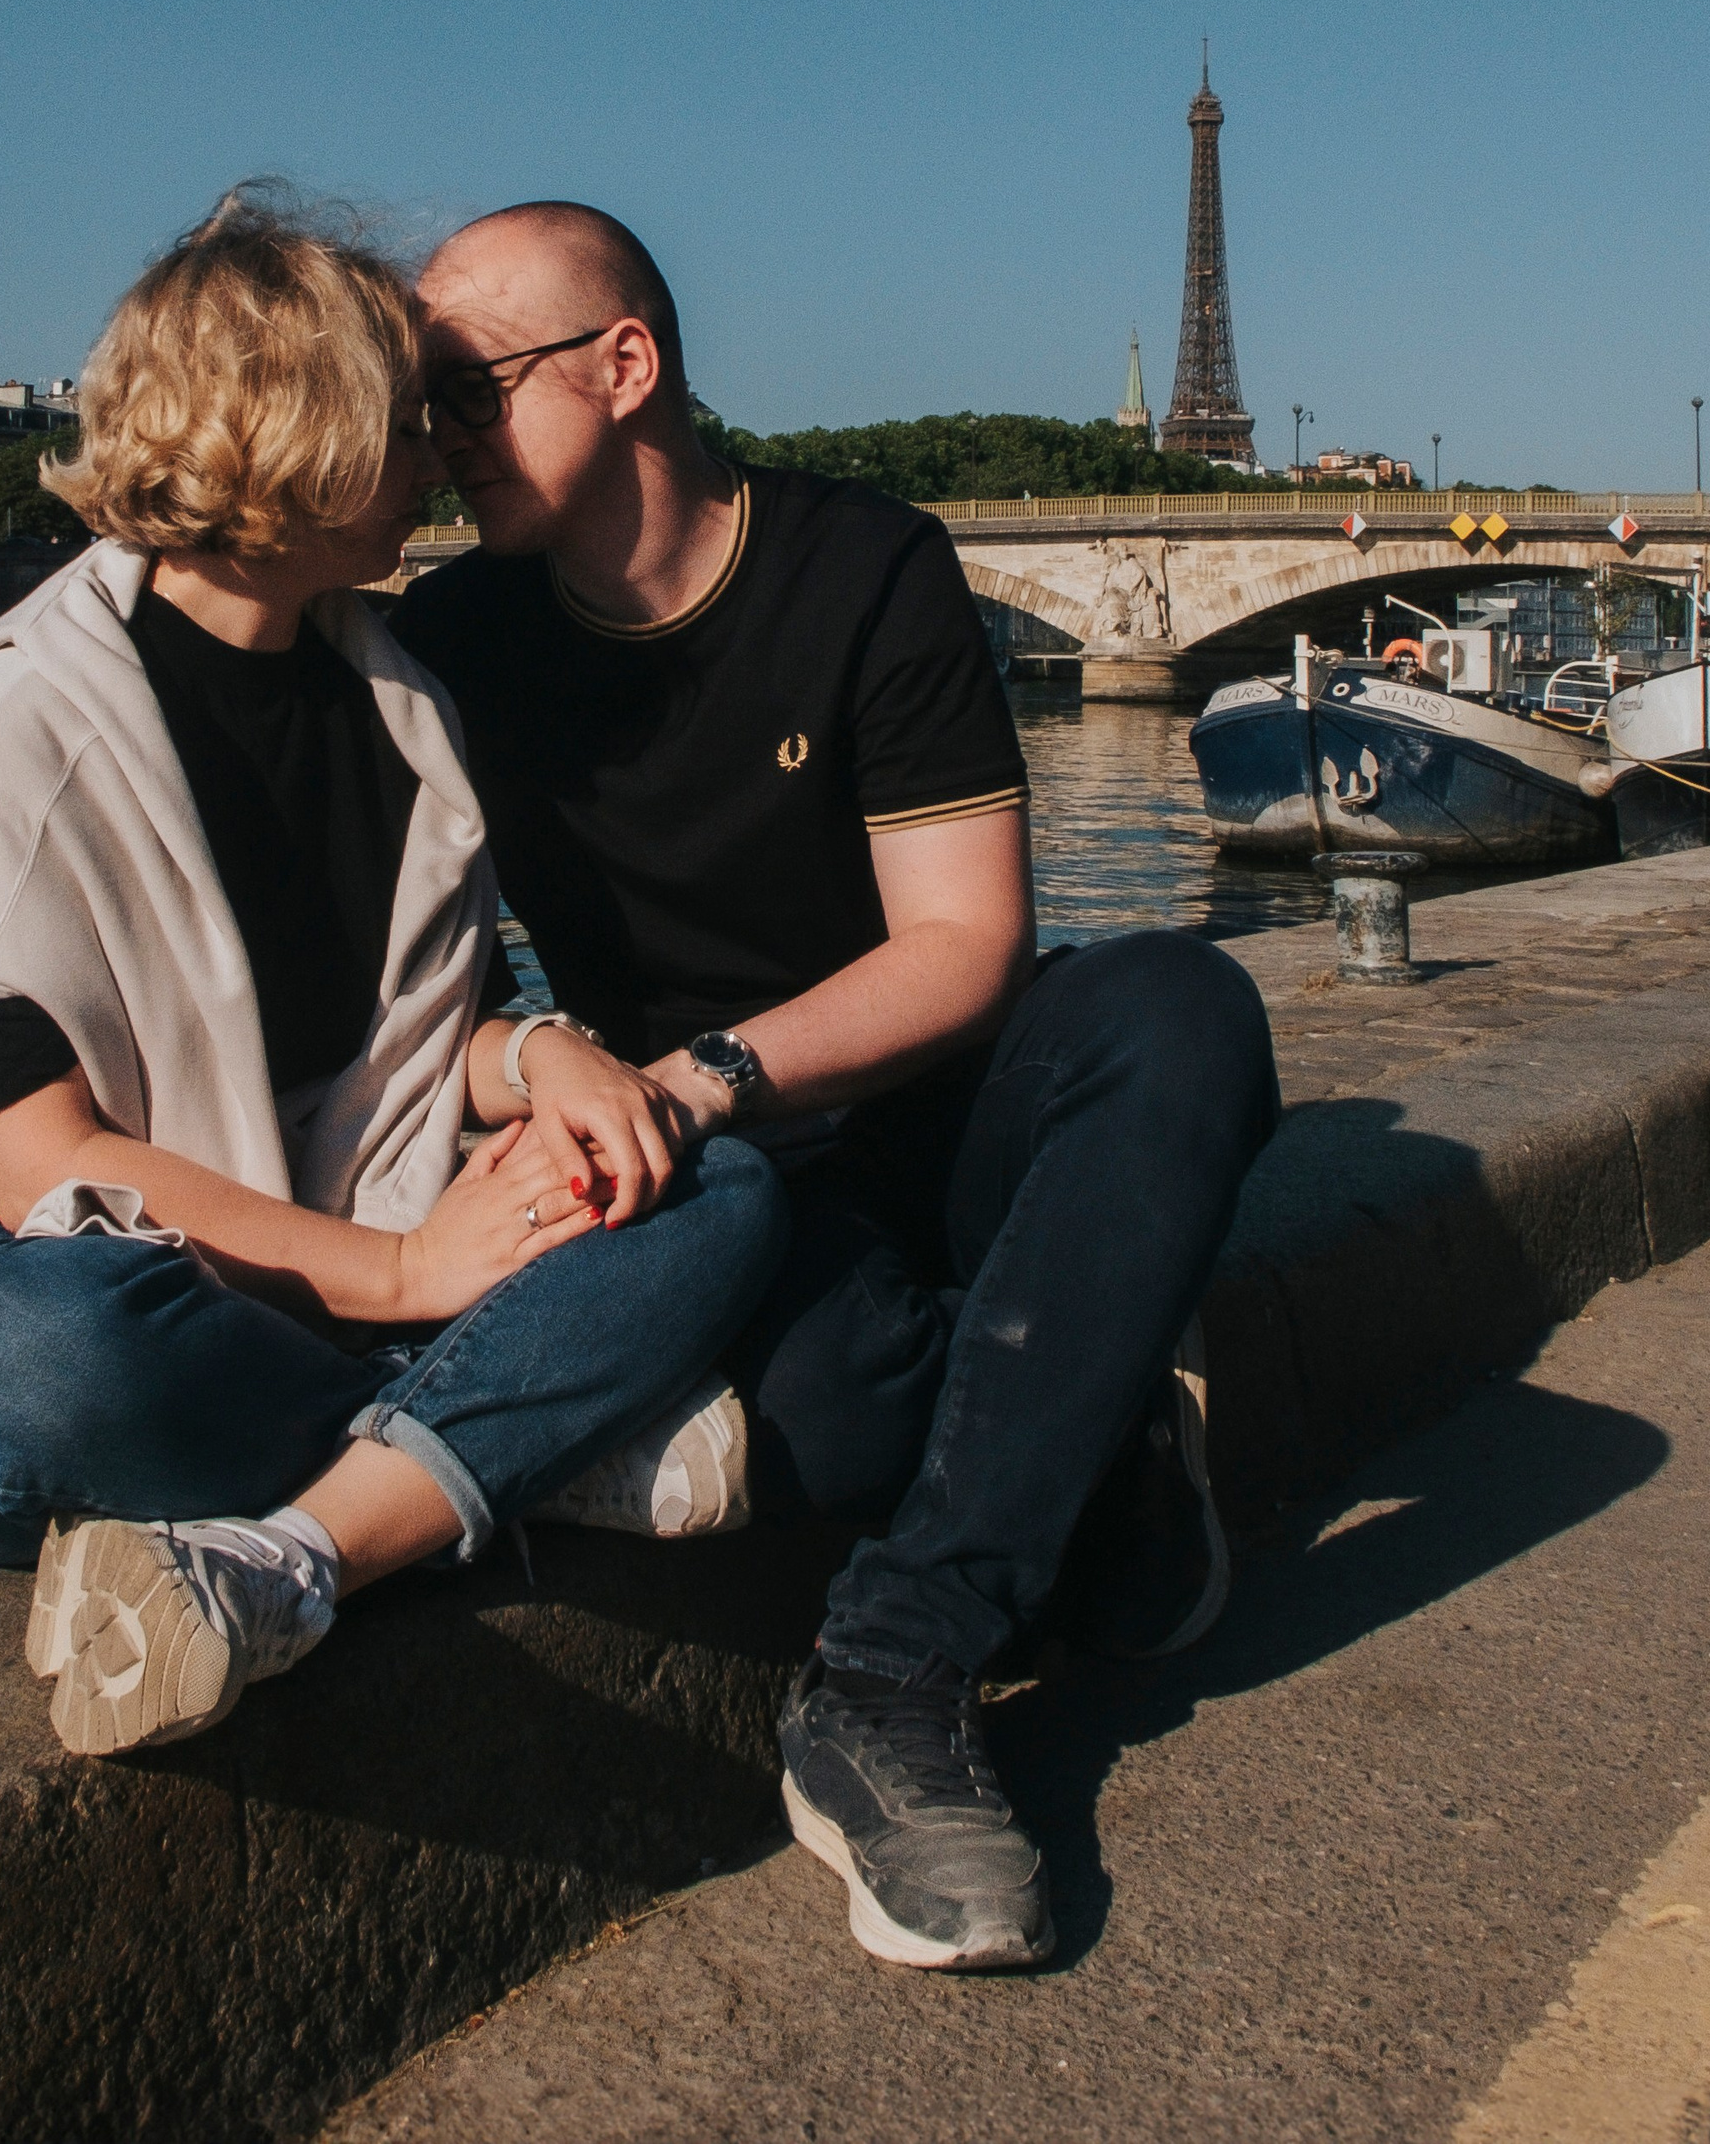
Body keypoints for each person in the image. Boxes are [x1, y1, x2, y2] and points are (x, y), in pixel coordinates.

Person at [0, 190, 787, 1759]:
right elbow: (51, 1170)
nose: (442, 448)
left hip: (297, 1309)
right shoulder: (29, 717)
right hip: (4, 1298)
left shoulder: (401, 710)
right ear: (295, 433)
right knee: (60, 1341)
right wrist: (400, 1279)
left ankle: (316, 1527)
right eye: (408, 412)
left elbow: (419, 1041)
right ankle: (507, 1433)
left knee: (713, 1184)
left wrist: (551, 1062)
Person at [396, 203, 1280, 1973]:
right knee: (826, 1416)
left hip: (916, 1108)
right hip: (727, 1186)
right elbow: (405, 975)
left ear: (624, 366)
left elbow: (963, 946)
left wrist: (707, 1075)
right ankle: (1097, 1418)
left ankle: (891, 1669)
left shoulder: (868, 563)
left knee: (1182, 1007)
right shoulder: (459, 636)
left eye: (469, 390)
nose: (440, 440)